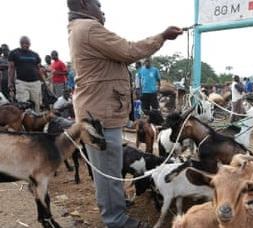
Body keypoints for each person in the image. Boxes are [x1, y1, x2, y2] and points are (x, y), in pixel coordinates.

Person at [67, 0, 182, 227]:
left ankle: (114, 208)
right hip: (101, 113)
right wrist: (162, 36)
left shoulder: (80, 29)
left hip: (100, 110)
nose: (102, 10)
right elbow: (129, 51)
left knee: (108, 167)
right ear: (83, 3)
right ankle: (116, 219)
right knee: (108, 170)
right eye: (97, 5)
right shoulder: (89, 29)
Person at [8, 36, 44, 112]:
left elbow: (38, 69)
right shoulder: (14, 53)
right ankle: (25, 123)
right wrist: (10, 82)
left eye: (27, 43)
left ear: (30, 44)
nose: (25, 45)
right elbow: (11, 68)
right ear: (20, 43)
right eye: (23, 43)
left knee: (37, 105)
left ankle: (36, 122)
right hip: (21, 83)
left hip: (35, 83)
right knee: (23, 105)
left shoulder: (35, 55)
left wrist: (43, 81)